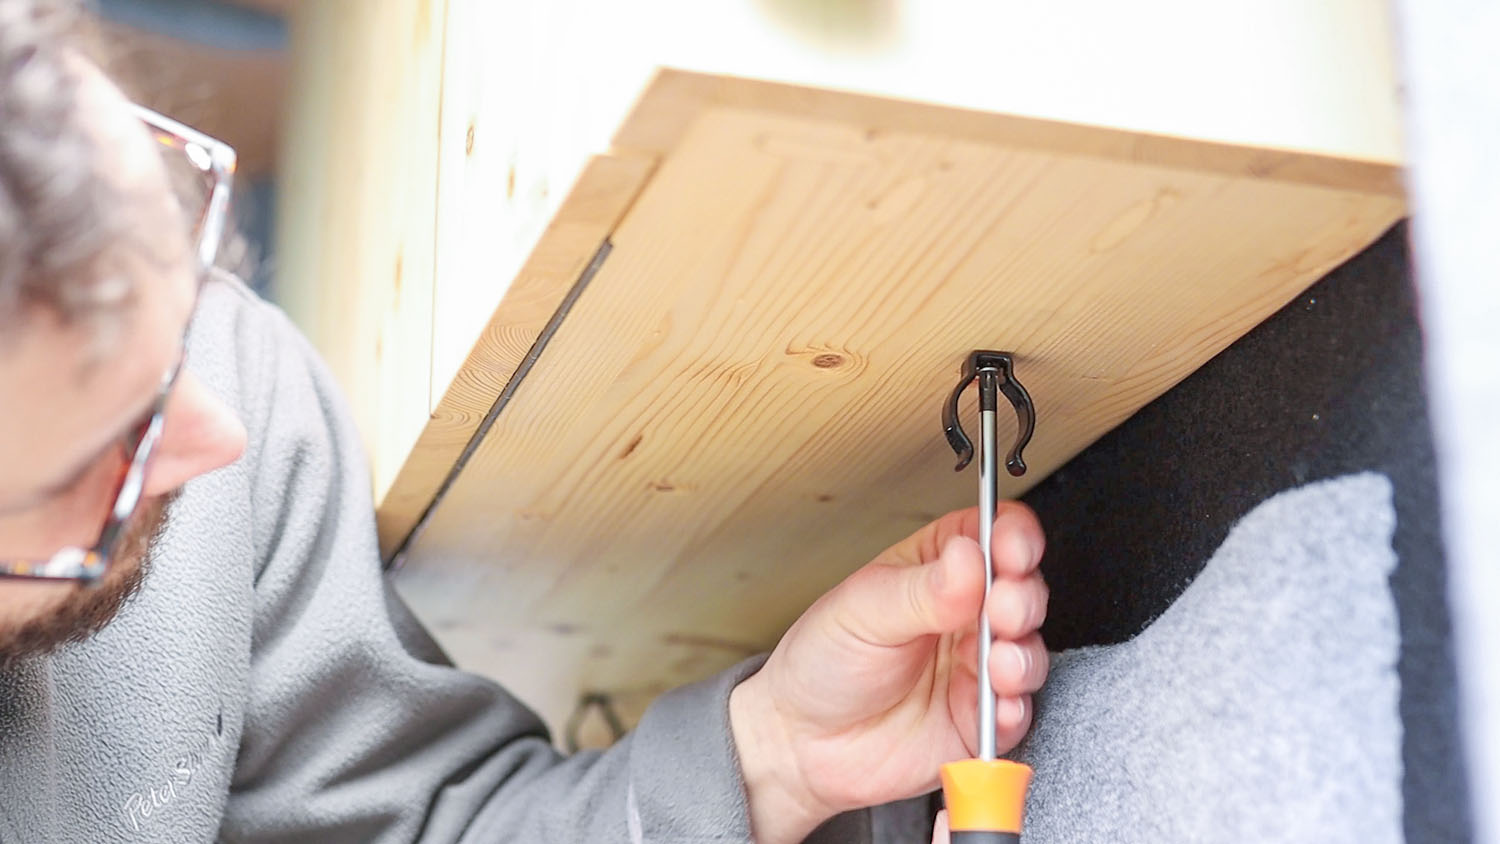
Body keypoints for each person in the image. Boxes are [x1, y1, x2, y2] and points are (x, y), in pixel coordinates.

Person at [0, 2, 1049, 841]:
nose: (216, 434)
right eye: (110, 453)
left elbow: (424, 821)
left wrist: (771, 757)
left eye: (185, 283)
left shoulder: (236, 399)